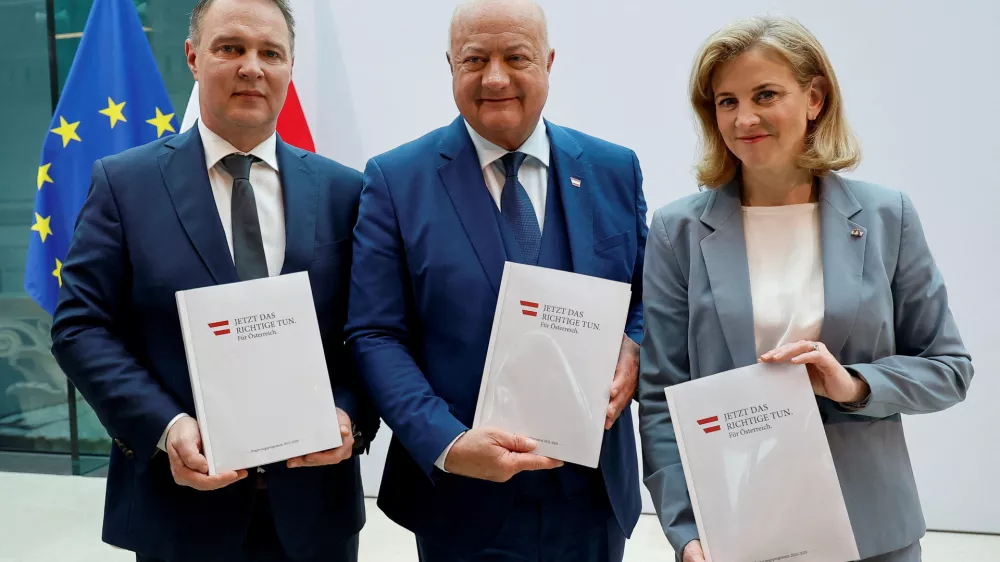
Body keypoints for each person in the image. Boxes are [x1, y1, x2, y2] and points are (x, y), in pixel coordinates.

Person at [637, 15, 974, 562]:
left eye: (765, 94)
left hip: (873, 531)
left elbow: (949, 369)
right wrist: (685, 529)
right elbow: (660, 400)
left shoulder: (888, 216)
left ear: (814, 97)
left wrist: (854, 385)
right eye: (726, 101)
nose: (745, 118)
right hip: (739, 528)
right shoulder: (678, 231)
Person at [49, 0, 376, 560]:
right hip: (179, 506)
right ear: (194, 57)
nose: (252, 66)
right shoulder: (125, 185)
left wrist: (349, 414)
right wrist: (164, 424)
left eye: (270, 52)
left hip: (314, 512)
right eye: (231, 48)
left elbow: (372, 329)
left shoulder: (345, 190)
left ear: (288, 67)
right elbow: (81, 327)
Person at [345, 0, 647, 559]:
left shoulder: (613, 169)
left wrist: (636, 348)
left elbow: (647, 298)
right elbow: (375, 334)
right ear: (451, 67)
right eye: (475, 59)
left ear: (549, 62)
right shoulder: (396, 181)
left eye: (516, 57)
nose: (495, 78)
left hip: (592, 496)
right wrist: (449, 443)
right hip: (461, 499)